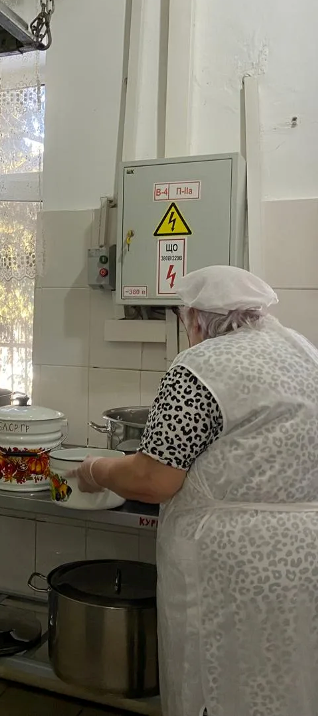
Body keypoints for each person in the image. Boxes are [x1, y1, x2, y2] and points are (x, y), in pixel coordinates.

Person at [70, 265, 318, 716]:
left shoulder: (199, 366)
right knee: (290, 679)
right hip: (304, 558)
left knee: (218, 682)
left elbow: (154, 479)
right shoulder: (304, 353)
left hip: (230, 564)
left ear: (196, 319)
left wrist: (96, 469)